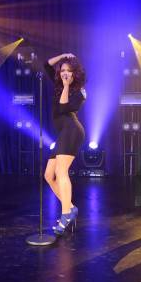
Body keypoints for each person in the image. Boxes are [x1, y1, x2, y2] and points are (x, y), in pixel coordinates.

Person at [43, 53, 86, 236]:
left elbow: (62, 108)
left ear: (75, 73)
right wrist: (63, 56)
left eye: (69, 71)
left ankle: (66, 214)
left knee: (61, 172)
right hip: (63, 133)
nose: (65, 74)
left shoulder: (79, 91)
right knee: (48, 175)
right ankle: (70, 208)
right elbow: (46, 64)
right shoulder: (58, 85)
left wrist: (67, 86)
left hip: (72, 131)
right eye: (62, 71)